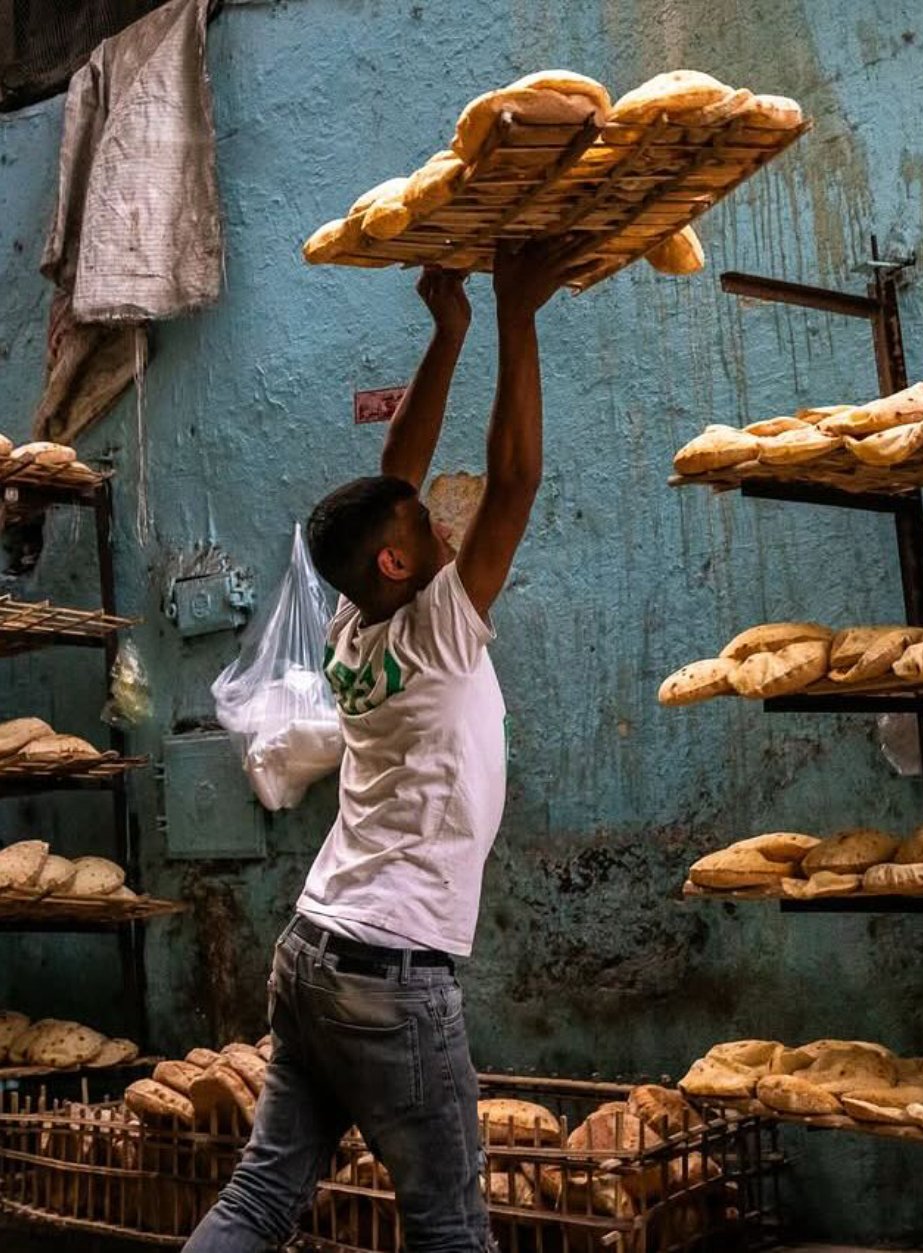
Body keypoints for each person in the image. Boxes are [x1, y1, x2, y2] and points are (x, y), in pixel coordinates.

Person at [184, 240, 568, 1252]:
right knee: (450, 1227)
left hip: (311, 952)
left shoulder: (356, 624)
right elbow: (515, 478)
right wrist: (517, 312)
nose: (447, 523)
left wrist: (448, 335)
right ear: (399, 559)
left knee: (261, 1199)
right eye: (425, 527)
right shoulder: (437, 625)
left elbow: (392, 472)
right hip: (391, 973)